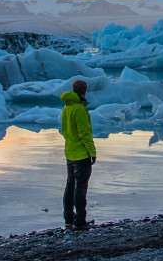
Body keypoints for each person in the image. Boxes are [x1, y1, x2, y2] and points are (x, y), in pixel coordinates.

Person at [60, 79, 96, 229]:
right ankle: (80, 221)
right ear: (85, 91)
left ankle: (69, 217)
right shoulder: (79, 109)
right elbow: (85, 133)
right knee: (81, 187)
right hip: (81, 154)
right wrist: (92, 151)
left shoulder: (66, 108)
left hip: (70, 152)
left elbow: (65, 130)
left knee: (70, 185)